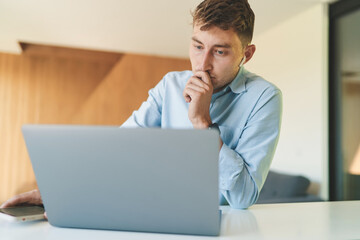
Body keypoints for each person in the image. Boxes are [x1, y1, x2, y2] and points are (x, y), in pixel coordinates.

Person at [1, 0, 282, 210]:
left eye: (219, 51)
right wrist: (64, 190)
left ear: (247, 54)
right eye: (197, 46)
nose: (203, 64)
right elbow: (120, 147)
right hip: (152, 210)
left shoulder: (264, 98)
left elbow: (244, 197)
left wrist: (202, 124)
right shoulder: (170, 85)